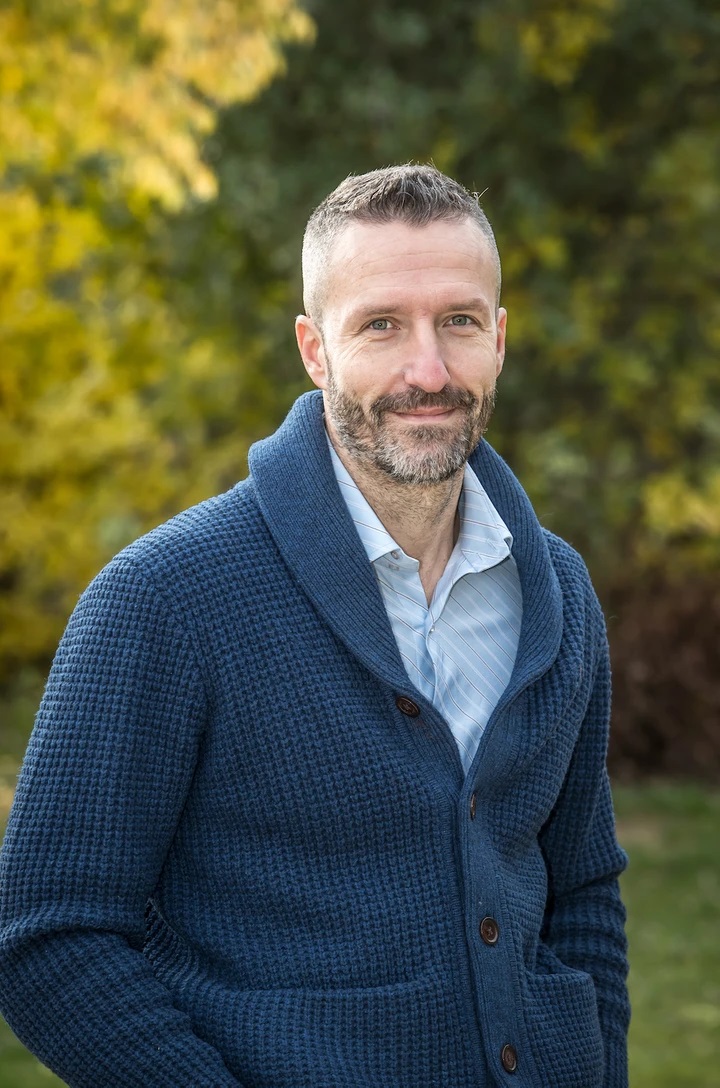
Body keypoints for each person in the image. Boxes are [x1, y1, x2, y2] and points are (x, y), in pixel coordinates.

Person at [0, 164, 630, 1087]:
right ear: (314, 349)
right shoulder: (164, 598)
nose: (428, 371)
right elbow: (49, 936)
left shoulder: (558, 591)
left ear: (498, 339)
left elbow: (583, 891)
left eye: (459, 321)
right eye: (382, 325)